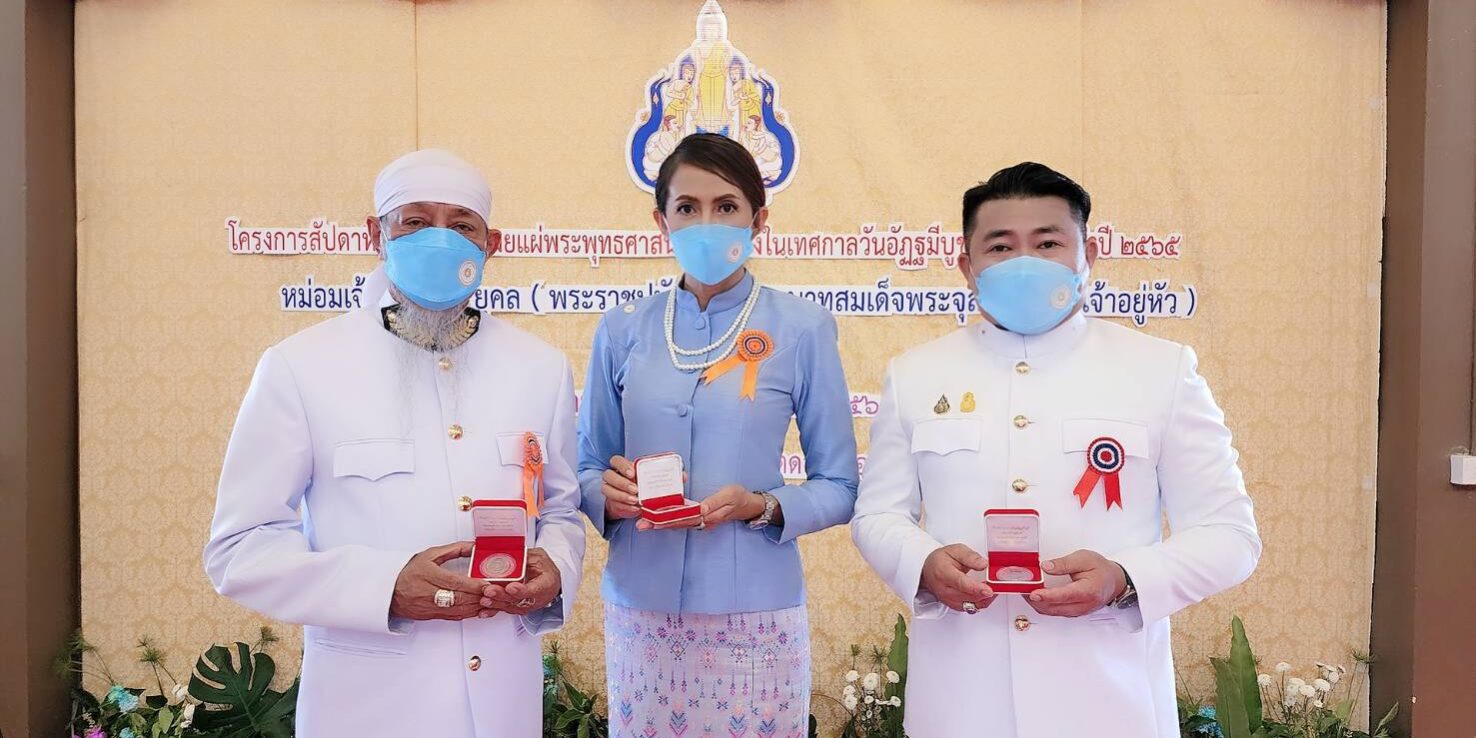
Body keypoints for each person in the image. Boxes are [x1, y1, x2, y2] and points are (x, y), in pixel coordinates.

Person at [851, 162, 1261, 737]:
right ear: (967, 266)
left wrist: (1124, 578)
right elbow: (877, 514)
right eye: (1000, 246)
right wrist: (922, 563)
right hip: (963, 698)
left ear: (1086, 255)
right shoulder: (916, 374)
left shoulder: (1160, 370)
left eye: (1048, 243)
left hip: (1108, 699)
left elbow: (1231, 535)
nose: (1025, 261)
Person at [204, 149, 585, 738]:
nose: (440, 239)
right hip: (366, 706)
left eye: (461, 225)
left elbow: (559, 510)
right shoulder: (301, 367)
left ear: (491, 244)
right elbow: (240, 548)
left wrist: (555, 567)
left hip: (503, 701)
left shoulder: (540, 367)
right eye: (416, 221)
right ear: (375, 235)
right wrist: (385, 587)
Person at [578, 133, 858, 738]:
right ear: (662, 221)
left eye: (726, 206)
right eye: (687, 207)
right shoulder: (622, 329)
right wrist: (607, 493)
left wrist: (763, 505)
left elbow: (840, 484)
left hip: (756, 609)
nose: (706, 223)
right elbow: (586, 467)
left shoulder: (803, 327)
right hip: (641, 605)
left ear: (759, 220)